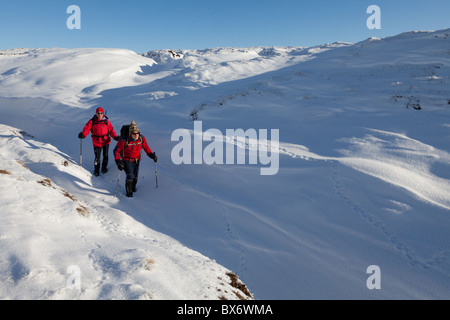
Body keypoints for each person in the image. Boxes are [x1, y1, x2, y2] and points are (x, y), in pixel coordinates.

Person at [114, 121, 157, 197]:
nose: (136, 135)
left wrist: (151, 155)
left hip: (136, 160)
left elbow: (146, 147)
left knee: (135, 176)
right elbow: (116, 150)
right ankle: (129, 194)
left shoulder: (141, 138)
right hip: (127, 160)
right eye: (134, 134)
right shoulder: (124, 140)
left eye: (137, 133)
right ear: (130, 134)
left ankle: (133, 188)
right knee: (130, 175)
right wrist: (118, 161)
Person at [78, 107, 119, 176]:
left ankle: (104, 168)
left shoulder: (106, 121)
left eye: (101, 113)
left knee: (105, 155)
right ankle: (96, 170)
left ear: (103, 114)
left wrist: (115, 137)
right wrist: (83, 134)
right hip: (96, 142)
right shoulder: (92, 121)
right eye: (98, 113)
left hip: (106, 141)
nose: (100, 114)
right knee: (97, 157)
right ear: (96, 113)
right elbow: (87, 128)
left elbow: (111, 130)